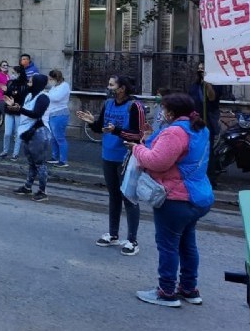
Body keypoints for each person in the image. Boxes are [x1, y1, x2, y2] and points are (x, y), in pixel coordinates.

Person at [126, 93, 213, 307]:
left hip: (176, 197)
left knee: (168, 246)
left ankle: (166, 291)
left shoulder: (175, 132)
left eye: (163, 109)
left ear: (171, 112)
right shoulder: (200, 129)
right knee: (187, 244)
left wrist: (136, 148)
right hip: (198, 197)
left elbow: (157, 161)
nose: (161, 113)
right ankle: (189, 288)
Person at [76, 74, 146, 256]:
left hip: (127, 158)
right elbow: (101, 127)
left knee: (129, 198)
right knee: (113, 196)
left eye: (111, 85)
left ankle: (132, 240)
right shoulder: (108, 104)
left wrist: (118, 131)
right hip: (108, 155)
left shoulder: (135, 106)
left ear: (122, 88)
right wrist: (92, 123)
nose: (109, 87)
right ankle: (113, 234)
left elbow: (139, 135)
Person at [7, 74, 51, 201]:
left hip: (39, 133)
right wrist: (16, 107)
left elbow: (36, 113)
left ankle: (42, 191)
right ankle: (27, 187)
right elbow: (25, 111)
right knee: (32, 163)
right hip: (28, 132)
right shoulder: (30, 96)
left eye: (31, 82)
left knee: (40, 164)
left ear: (37, 83)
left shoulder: (43, 97)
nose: (28, 84)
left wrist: (19, 109)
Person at [188, 63, 223, 181]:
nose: (201, 72)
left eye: (203, 70)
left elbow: (212, 98)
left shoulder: (215, 85)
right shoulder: (194, 86)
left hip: (208, 121)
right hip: (195, 121)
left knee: (208, 149)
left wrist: (207, 84)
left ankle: (210, 177)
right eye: (200, 70)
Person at [0, 65, 28, 161]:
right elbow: (6, 95)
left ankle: (15, 153)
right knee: (7, 133)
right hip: (9, 109)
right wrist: (6, 94)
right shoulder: (10, 82)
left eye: (14, 73)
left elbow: (23, 97)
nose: (12, 75)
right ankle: (5, 151)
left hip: (18, 110)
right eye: (12, 73)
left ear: (19, 73)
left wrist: (15, 101)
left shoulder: (24, 84)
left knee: (18, 133)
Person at [46, 69, 71, 167]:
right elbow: (51, 96)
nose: (50, 81)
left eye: (51, 79)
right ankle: (55, 157)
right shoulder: (55, 86)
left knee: (60, 138)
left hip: (60, 114)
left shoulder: (64, 86)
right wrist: (48, 94)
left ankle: (63, 160)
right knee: (53, 138)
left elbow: (56, 98)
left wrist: (46, 94)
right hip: (52, 113)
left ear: (56, 78)